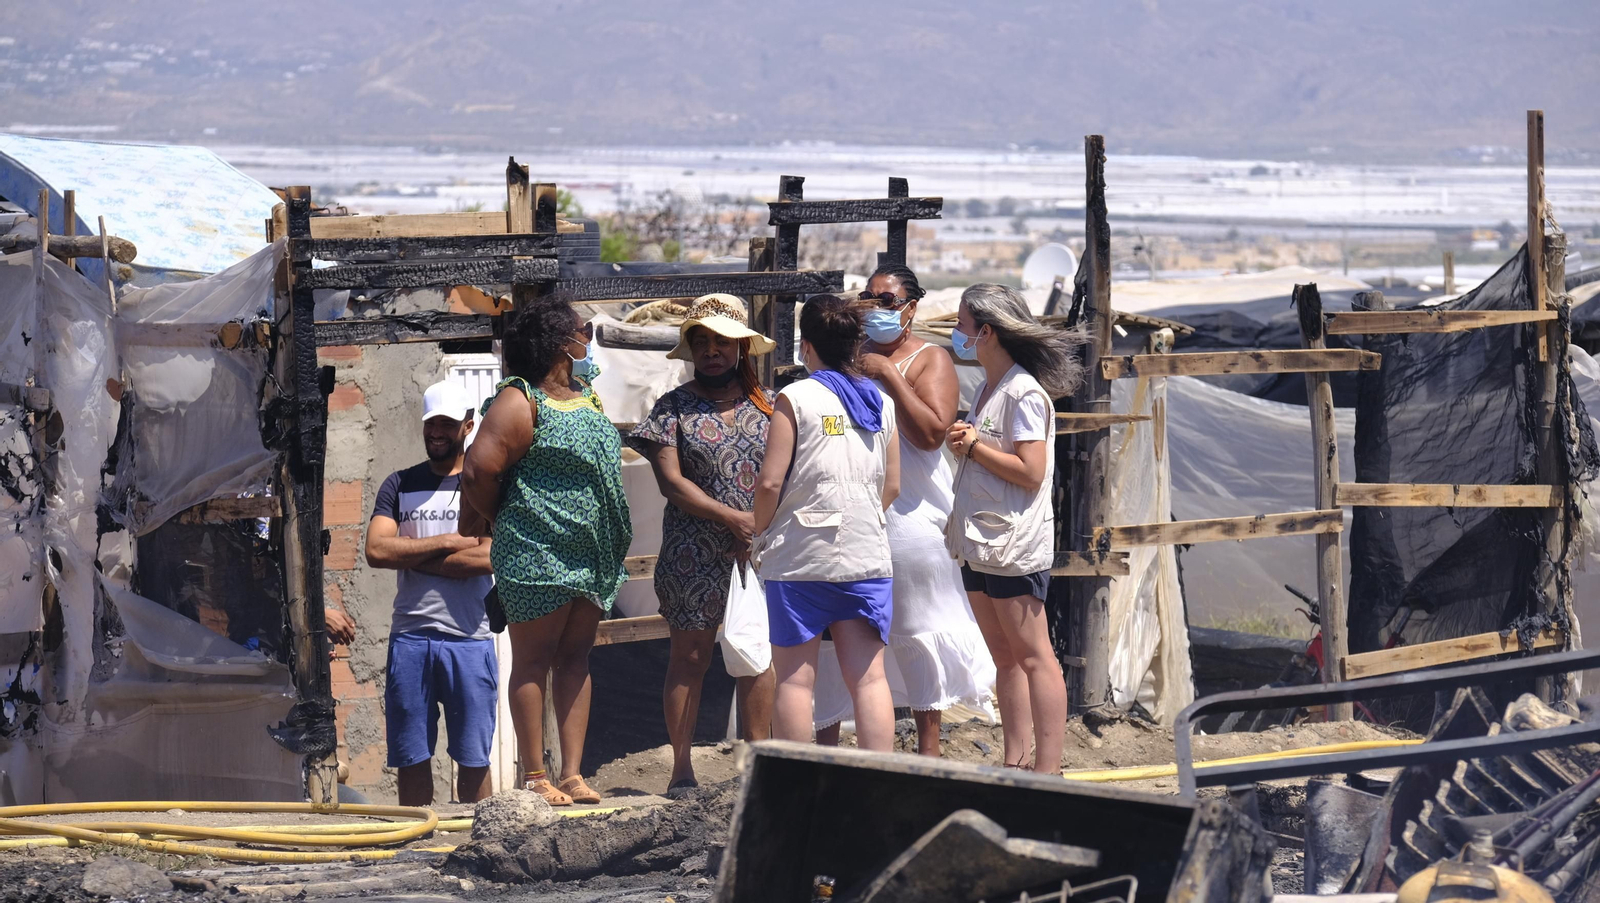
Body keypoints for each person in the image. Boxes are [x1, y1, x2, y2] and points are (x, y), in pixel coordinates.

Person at [812, 265, 997, 756]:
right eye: (869, 299)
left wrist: (891, 375)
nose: (876, 309)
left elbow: (932, 433)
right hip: (854, 515)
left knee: (917, 632)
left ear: (911, 309)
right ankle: (826, 749)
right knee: (840, 638)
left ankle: (927, 752)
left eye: (888, 302)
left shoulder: (930, 359)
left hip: (914, 518)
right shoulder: (850, 357)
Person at [460, 295, 632, 807]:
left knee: (576, 659)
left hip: (590, 554)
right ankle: (536, 774)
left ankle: (573, 773)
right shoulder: (520, 399)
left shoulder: (587, 395)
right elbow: (478, 471)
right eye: (582, 332)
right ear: (563, 344)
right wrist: (504, 518)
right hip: (536, 551)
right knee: (534, 660)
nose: (588, 340)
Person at [630, 294, 779, 797]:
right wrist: (733, 518)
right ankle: (681, 770)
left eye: (721, 341)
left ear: (742, 347)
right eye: (702, 341)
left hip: (757, 553)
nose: (712, 350)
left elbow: (788, 476)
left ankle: (757, 766)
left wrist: (755, 528)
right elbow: (671, 482)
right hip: (692, 553)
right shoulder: (671, 408)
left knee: (755, 654)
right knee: (689, 658)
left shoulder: (773, 407)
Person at [944, 283, 1087, 773]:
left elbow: (1030, 471)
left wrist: (973, 446)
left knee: (1034, 658)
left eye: (963, 324)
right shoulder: (989, 387)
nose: (957, 333)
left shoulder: (1024, 392)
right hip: (981, 541)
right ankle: (1016, 760)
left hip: (1011, 545)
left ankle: (1047, 769)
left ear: (986, 331)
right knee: (1005, 658)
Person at [752, 294, 901, 751]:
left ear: (806, 345)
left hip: (801, 555)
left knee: (795, 683)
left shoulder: (794, 398)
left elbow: (771, 484)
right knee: (870, 680)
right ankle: (878, 787)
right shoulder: (879, 401)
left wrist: (759, 530)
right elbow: (892, 485)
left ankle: (796, 787)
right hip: (865, 553)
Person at [364, 380, 497, 806]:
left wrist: (409, 554)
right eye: (430, 424)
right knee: (412, 756)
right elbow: (376, 550)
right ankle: (417, 849)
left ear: (468, 425)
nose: (436, 432)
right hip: (411, 638)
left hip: (470, 638)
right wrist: (447, 541)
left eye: (446, 423)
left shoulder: (485, 487)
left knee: (473, 758)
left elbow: (491, 558)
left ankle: (481, 845)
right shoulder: (399, 484)